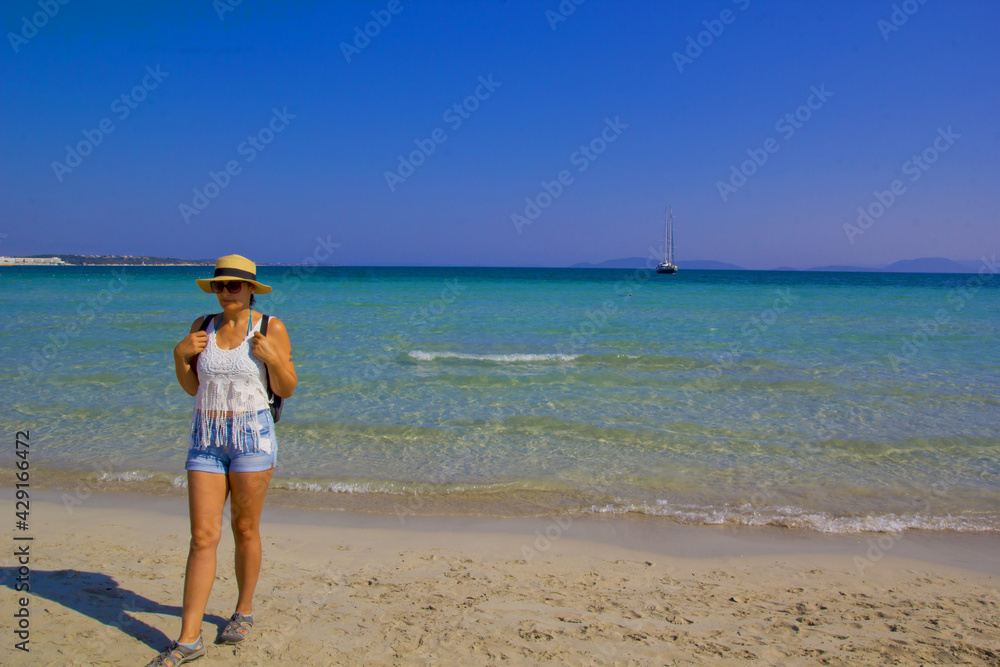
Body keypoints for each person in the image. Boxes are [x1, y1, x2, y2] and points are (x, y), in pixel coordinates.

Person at [146, 255, 296, 666]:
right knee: (202, 537)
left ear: (250, 289)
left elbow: (287, 386)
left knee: (245, 529)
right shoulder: (201, 327)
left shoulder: (270, 328)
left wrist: (274, 358)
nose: (226, 292)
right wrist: (179, 356)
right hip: (206, 439)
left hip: (252, 439)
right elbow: (192, 387)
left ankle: (243, 611)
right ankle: (188, 639)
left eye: (234, 286)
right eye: (219, 286)